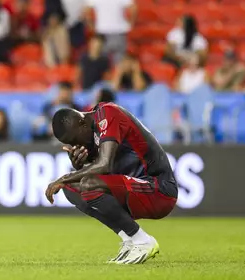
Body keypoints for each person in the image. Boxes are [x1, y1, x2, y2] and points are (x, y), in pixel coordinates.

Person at [46, 104, 178, 264]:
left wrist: (65, 176)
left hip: (159, 189)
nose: (77, 145)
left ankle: (143, 241)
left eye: (76, 140)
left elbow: (104, 164)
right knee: (70, 188)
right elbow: (105, 169)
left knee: (85, 183)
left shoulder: (108, 114)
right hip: (132, 189)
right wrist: (78, 166)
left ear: (82, 122)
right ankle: (130, 240)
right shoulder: (90, 129)